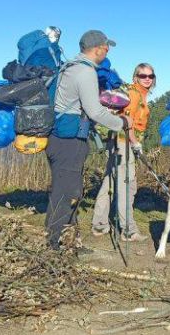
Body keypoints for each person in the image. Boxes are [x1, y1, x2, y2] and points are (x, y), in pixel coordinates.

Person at [46, 30, 132, 251]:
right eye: (106, 47)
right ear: (98, 49)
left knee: (66, 191)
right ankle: (55, 246)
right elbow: (94, 111)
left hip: (58, 139)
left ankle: (69, 242)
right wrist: (121, 122)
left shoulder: (69, 66)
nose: (108, 50)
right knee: (67, 194)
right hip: (69, 142)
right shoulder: (85, 72)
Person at [91, 63, 155, 241]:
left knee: (109, 182)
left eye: (150, 76)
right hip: (123, 143)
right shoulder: (134, 94)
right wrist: (135, 143)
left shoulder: (139, 94)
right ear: (136, 77)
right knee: (128, 185)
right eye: (143, 76)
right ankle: (128, 230)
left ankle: (99, 224)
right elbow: (127, 122)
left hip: (117, 142)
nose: (147, 79)